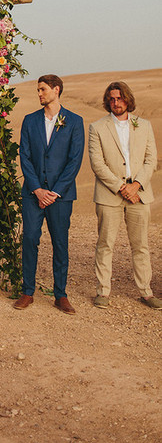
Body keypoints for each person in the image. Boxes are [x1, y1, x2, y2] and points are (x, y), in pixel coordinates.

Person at [15, 74, 84, 315]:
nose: (39, 94)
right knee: (30, 240)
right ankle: (27, 291)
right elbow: (24, 155)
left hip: (60, 196)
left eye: (43, 89)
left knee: (60, 243)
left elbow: (75, 161)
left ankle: (61, 295)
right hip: (33, 194)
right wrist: (37, 189)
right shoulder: (30, 120)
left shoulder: (74, 121)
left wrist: (54, 192)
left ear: (56, 90)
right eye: (38, 90)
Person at [88, 81, 161, 310]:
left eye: (119, 98)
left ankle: (146, 292)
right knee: (105, 244)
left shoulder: (144, 125)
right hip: (110, 194)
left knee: (140, 245)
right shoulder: (97, 127)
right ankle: (103, 291)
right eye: (111, 98)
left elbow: (151, 160)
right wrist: (122, 187)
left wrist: (136, 185)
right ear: (107, 101)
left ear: (127, 99)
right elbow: (97, 164)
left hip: (139, 194)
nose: (115, 102)